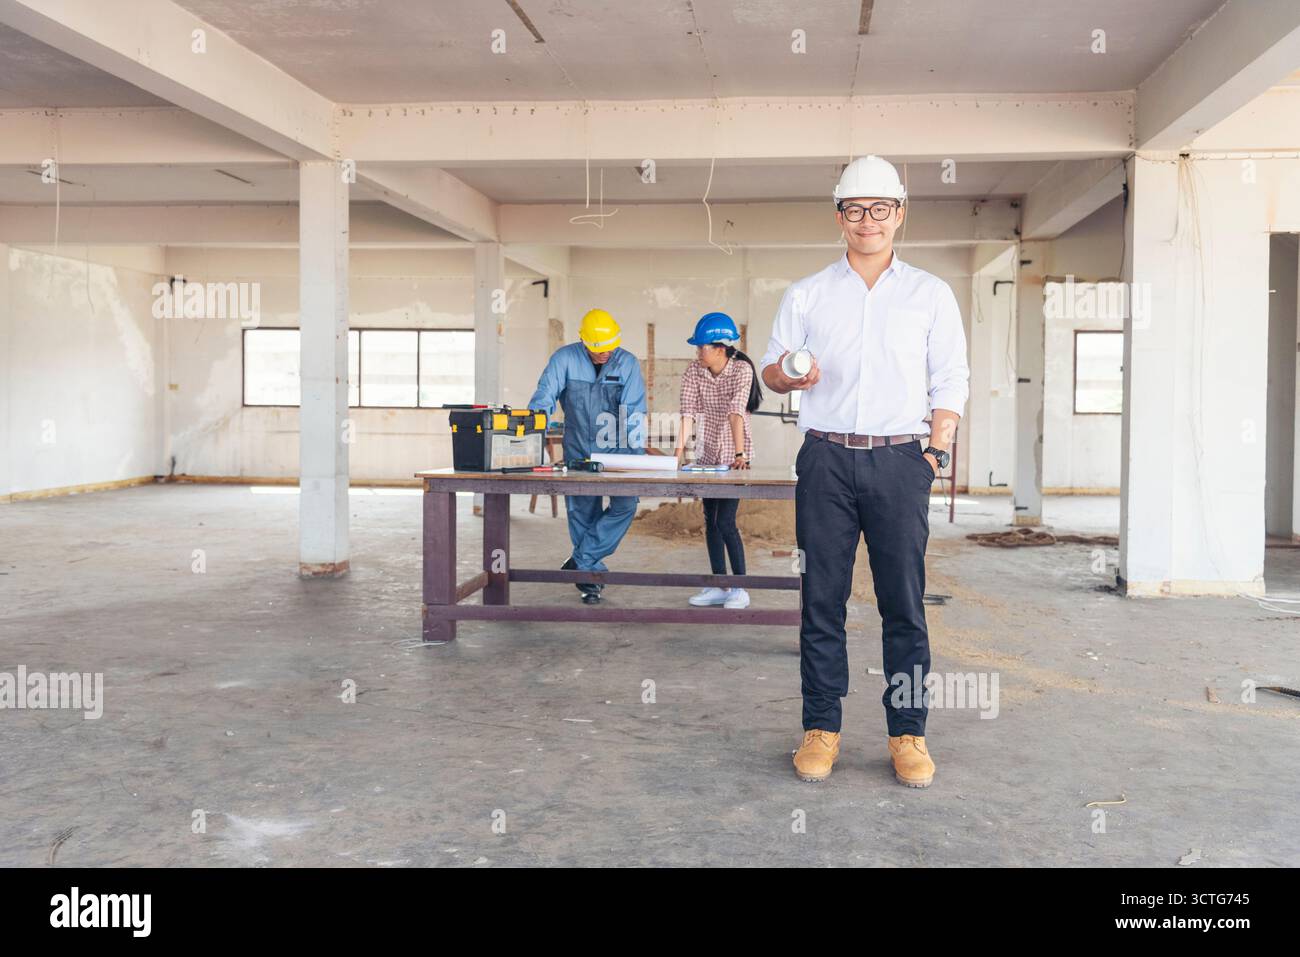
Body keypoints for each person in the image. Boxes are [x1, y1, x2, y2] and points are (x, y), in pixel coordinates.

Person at [759, 155, 969, 787]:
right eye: (856, 209)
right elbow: (771, 372)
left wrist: (935, 452)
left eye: (881, 209)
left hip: (902, 459)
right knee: (821, 598)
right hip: (826, 457)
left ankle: (908, 733)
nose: (868, 221)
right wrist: (790, 374)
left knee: (902, 602)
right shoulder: (807, 293)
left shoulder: (929, 293)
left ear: (900, 215)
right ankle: (821, 728)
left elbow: (950, 378)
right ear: (840, 217)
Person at [528, 308, 647, 605]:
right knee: (583, 510)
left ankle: (581, 560)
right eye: (598, 348)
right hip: (579, 447)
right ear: (584, 342)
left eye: (609, 347)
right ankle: (590, 578)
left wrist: (637, 460)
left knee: (626, 504)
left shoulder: (628, 363)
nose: (605, 353)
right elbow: (544, 396)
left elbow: (633, 412)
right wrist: (531, 432)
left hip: (619, 452)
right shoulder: (564, 359)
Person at [674, 312, 762, 611]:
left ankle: (741, 587)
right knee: (710, 521)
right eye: (698, 347)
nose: (698, 352)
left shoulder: (741, 371)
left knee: (726, 521)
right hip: (706, 454)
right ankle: (718, 584)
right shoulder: (693, 372)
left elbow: (736, 412)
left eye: (703, 347)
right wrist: (677, 455)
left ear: (720, 348)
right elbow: (687, 412)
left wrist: (739, 455)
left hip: (734, 454)